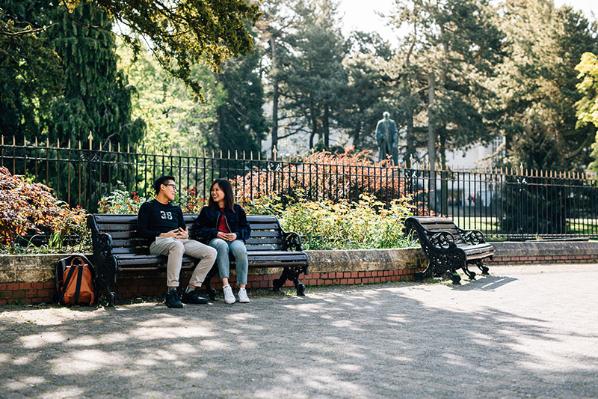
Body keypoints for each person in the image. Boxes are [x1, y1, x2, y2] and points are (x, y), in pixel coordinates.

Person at [137, 175, 217, 308]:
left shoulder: (175, 209)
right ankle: (172, 292)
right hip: (158, 242)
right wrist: (163, 234)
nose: (175, 190)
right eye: (172, 187)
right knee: (177, 245)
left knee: (211, 252)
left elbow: (183, 229)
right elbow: (142, 231)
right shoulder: (148, 207)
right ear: (162, 187)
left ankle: (191, 291)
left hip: (178, 241)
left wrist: (186, 234)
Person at [193, 179, 251, 304]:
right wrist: (215, 233)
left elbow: (246, 228)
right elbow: (197, 229)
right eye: (212, 190)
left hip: (234, 240)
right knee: (221, 244)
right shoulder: (207, 211)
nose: (213, 193)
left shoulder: (237, 209)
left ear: (226, 191)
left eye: (217, 190)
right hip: (215, 241)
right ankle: (226, 286)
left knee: (240, 249)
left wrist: (236, 235)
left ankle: (242, 289)